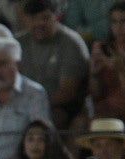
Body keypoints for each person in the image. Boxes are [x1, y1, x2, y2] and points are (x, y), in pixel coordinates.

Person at [14, 0, 87, 129]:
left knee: (50, 119)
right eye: (33, 18)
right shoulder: (18, 44)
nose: (39, 23)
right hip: (22, 105)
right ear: (25, 19)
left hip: (62, 107)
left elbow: (67, 92)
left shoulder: (71, 43)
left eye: (45, 18)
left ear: (57, 16)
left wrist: (36, 106)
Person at [88, 1, 125, 128]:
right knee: (82, 123)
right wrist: (94, 74)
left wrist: (121, 71)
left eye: (124, 21)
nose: (118, 27)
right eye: (114, 22)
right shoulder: (104, 48)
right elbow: (96, 95)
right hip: (105, 109)